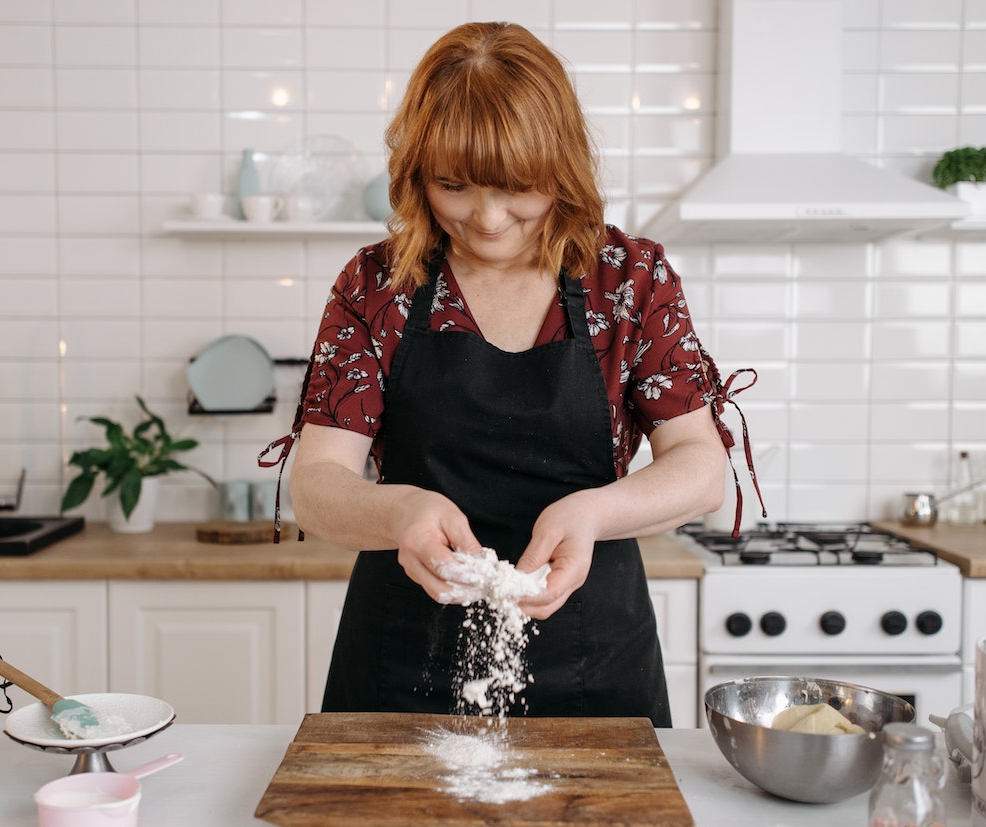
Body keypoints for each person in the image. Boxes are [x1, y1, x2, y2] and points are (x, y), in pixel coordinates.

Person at [260, 22, 752, 728]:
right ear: (415, 173)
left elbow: (702, 470)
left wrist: (593, 511)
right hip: (401, 673)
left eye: (517, 187)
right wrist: (400, 512)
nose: (487, 219)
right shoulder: (377, 284)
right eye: (452, 185)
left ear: (563, 164)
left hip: (596, 669)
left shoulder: (629, 279)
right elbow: (316, 485)